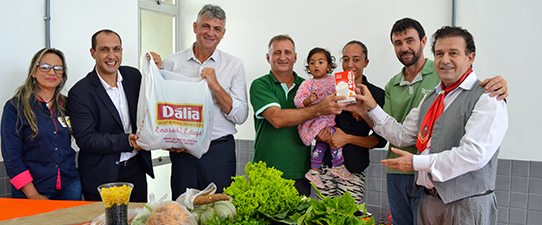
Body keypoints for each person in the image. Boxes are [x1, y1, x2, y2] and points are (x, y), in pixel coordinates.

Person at [353, 26, 507, 224]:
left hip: (465, 205)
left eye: (453, 53)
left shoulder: (488, 96)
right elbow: (402, 135)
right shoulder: (431, 98)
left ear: (470, 57)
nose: (444, 60)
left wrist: (416, 163)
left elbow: (474, 154)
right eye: (439, 53)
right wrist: (371, 107)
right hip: (429, 202)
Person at [148, 4, 248, 199]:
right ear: (195, 27)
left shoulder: (234, 65)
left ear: (223, 33)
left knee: (220, 211)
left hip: (219, 152)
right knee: (183, 210)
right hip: (183, 152)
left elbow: (241, 114)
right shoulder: (172, 63)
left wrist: (216, 86)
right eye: (206, 26)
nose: (210, 33)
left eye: (217, 29)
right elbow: (163, 107)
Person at [249, 35, 345, 196]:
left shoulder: (307, 87)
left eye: (287, 52)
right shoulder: (261, 85)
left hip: (300, 173)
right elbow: (277, 119)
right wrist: (319, 109)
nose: (282, 57)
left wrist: (324, 132)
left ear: (295, 57)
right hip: (264, 172)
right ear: (268, 57)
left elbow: (322, 119)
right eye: (277, 52)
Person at [68, 29, 154, 202]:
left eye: (116, 49)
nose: (111, 55)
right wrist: (127, 141)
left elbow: (153, 104)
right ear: (93, 53)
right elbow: (86, 138)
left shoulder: (133, 76)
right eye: (104, 49)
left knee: (138, 219)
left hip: (136, 169)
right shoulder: (80, 92)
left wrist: (156, 70)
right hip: (102, 175)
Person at [1, 48, 81, 200]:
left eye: (58, 68)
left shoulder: (67, 105)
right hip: (32, 189)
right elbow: (12, 158)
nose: (52, 72)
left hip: (69, 185)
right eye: (45, 67)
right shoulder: (15, 108)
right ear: (33, 72)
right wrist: (33, 195)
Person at [315, 41, 387, 204]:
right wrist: (319, 134)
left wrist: (347, 138)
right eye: (345, 59)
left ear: (365, 62)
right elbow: (315, 122)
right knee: (322, 217)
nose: (349, 65)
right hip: (325, 165)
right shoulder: (329, 91)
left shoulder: (376, 95)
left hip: (354, 168)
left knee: (350, 217)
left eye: (356, 59)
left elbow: (380, 140)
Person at [294, 47, 353, 189]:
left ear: (329, 66)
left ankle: (314, 171)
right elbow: (298, 101)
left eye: (320, 62)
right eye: (312, 63)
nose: (316, 66)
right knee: (333, 137)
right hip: (314, 120)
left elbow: (344, 97)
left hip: (328, 121)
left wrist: (354, 110)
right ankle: (338, 164)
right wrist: (309, 100)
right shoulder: (308, 84)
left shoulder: (335, 81)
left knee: (322, 144)